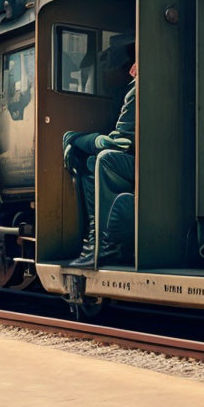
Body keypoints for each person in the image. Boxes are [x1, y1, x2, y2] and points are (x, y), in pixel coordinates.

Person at [62, 56, 136, 268]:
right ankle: (95, 243)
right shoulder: (126, 91)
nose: (101, 72)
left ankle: (104, 246)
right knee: (94, 160)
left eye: (106, 64)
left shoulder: (137, 90)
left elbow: (119, 142)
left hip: (154, 168)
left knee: (103, 160)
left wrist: (75, 139)